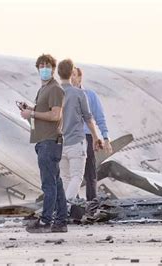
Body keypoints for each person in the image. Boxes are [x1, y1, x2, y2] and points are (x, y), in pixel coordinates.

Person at [19, 53, 68, 233]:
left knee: (49, 183)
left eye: (47, 66)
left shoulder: (55, 89)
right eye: (41, 66)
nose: (44, 69)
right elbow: (44, 112)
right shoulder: (43, 89)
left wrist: (32, 114)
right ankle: (61, 220)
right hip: (44, 141)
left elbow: (56, 115)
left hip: (49, 141)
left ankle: (46, 220)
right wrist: (31, 110)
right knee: (56, 182)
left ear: (53, 69)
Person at [57, 59, 103, 202]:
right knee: (77, 177)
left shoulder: (54, 93)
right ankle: (63, 207)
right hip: (76, 141)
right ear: (71, 73)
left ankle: (63, 210)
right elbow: (88, 118)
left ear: (58, 73)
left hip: (59, 142)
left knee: (65, 178)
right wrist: (96, 137)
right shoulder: (79, 94)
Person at [71, 67, 112, 201]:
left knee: (90, 172)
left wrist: (105, 137)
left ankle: (91, 204)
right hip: (69, 137)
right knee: (71, 174)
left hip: (87, 136)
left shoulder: (90, 95)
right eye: (69, 75)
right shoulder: (63, 95)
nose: (71, 78)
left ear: (79, 78)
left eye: (74, 75)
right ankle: (73, 205)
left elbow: (99, 117)